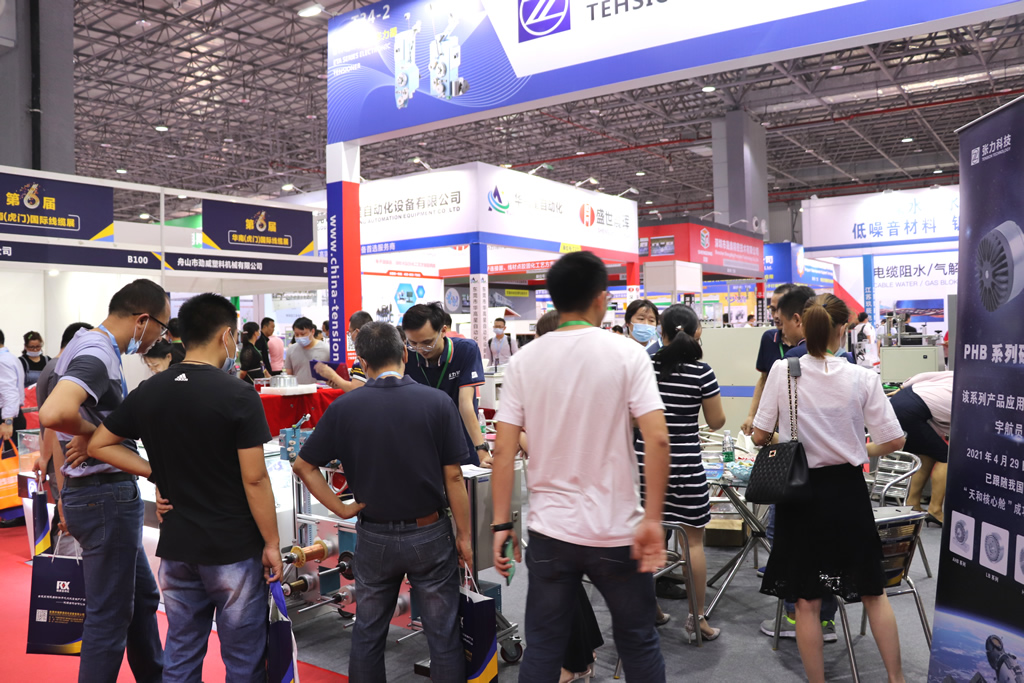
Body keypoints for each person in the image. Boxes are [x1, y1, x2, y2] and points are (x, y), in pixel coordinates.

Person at [490, 251, 671, 682]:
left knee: (544, 646)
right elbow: (658, 438)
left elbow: (503, 450)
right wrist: (652, 519)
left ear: (553, 298)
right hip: (617, 531)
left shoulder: (524, 360)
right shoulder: (627, 353)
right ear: (601, 298)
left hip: (551, 533)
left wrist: (501, 525)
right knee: (638, 641)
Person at [87, 293, 282, 682]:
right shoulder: (238, 394)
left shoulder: (150, 390)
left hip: (177, 546)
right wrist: (272, 543)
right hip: (232, 546)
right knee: (243, 657)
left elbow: (98, 444)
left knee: (181, 651)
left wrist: (155, 473)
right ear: (226, 336)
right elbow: (255, 478)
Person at [293, 322, 472, 683]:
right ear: (405, 352)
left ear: (362, 361)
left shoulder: (345, 407)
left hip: (373, 534)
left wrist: (341, 508)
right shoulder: (437, 401)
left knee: (368, 632)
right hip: (429, 532)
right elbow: (454, 477)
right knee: (443, 636)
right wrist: (465, 536)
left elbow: (303, 465)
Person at [753, 293, 907, 683]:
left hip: (800, 494)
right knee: (873, 592)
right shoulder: (862, 377)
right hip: (848, 491)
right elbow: (894, 440)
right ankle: (897, 679)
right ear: (843, 329)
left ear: (803, 325)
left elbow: (758, 435)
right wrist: (856, 448)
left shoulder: (782, 371)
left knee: (807, 600)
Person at [38, 278, 169, 683]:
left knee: (142, 597)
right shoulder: (97, 351)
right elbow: (53, 414)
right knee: (108, 617)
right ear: (142, 320)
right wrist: (95, 434)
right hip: (104, 498)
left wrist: (66, 486)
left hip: (95, 494)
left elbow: (57, 417)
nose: (160, 338)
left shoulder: (82, 344)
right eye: (162, 327)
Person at [638, 304, 726, 641]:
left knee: (647, 536)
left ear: (660, 332)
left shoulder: (644, 367)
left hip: (645, 463)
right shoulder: (702, 372)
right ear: (697, 333)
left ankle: (649, 609)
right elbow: (716, 421)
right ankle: (697, 620)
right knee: (693, 542)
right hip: (686, 464)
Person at [403, 303, 489, 467]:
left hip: (461, 439)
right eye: (413, 343)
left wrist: (481, 450)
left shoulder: (465, 350)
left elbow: (465, 403)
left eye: (427, 342)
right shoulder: (407, 355)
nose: (421, 349)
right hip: (422, 443)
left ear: (443, 331)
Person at [33, 322, 93, 547]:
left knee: (64, 511)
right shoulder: (61, 370)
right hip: (61, 456)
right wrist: (44, 457)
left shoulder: (52, 366)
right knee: (65, 514)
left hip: (57, 455)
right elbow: (53, 423)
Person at [890, 370, 952, 526]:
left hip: (902, 399)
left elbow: (923, 376)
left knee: (928, 454)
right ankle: (935, 510)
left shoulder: (958, 375)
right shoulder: (976, 399)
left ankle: (912, 504)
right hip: (913, 410)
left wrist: (902, 388)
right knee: (946, 459)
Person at [315, 311, 372, 393]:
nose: (349, 335)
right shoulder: (375, 351)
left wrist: (333, 376)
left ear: (357, 332)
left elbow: (356, 389)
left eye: (350, 332)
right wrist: (340, 383)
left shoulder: (363, 356)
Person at [284, 317, 329, 384]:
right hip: (298, 389)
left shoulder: (326, 349)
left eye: (303, 334)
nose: (299, 337)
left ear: (312, 331)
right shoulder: (291, 350)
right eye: (296, 334)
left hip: (319, 389)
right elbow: (289, 374)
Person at [0, 328, 27, 439]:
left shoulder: (2, 361)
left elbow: (9, 391)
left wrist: (7, 422)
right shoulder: (10, 358)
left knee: (8, 450)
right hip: (11, 415)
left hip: (5, 419)